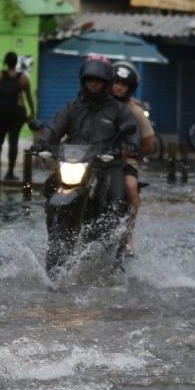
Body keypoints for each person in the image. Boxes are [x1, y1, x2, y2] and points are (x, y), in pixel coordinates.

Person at [34, 55, 141, 197]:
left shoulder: (119, 109)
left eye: (98, 81)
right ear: (83, 81)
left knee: (116, 197)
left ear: (107, 83)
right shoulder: (72, 107)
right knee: (49, 188)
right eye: (90, 80)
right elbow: (55, 126)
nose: (93, 84)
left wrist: (132, 144)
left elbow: (131, 127)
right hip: (73, 161)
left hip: (107, 162)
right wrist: (43, 141)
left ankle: (116, 219)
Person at [110, 61, 153, 254]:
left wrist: (134, 154)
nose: (118, 86)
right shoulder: (97, 104)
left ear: (130, 88)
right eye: (115, 82)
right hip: (94, 156)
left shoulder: (134, 110)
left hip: (123, 159)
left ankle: (128, 234)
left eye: (123, 84)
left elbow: (149, 142)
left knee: (131, 187)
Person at [0, 51, 35, 180]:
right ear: (16, 62)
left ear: (6, 62)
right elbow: (29, 98)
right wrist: (32, 112)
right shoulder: (23, 78)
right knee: (13, 143)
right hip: (16, 115)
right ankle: (10, 173)